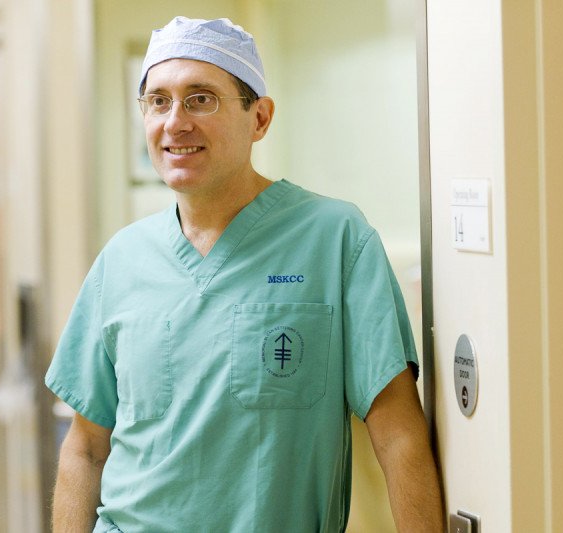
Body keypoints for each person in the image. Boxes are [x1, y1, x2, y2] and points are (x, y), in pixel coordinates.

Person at [47, 16, 444, 532]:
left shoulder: (334, 239)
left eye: (200, 99)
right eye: (158, 101)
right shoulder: (122, 260)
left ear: (259, 117)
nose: (175, 122)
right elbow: (85, 448)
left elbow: (398, 434)